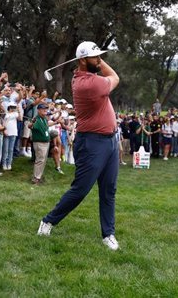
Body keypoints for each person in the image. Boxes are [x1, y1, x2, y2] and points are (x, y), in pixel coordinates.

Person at [38, 41, 121, 251]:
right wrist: (100, 64)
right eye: (96, 57)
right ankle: (48, 221)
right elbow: (116, 78)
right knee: (80, 190)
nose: (100, 60)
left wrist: (97, 60)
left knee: (108, 190)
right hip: (92, 142)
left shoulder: (87, 76)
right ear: (83, 60)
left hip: (109, 140)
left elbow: (105, 71)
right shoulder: (88, 84)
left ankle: (108, 234)